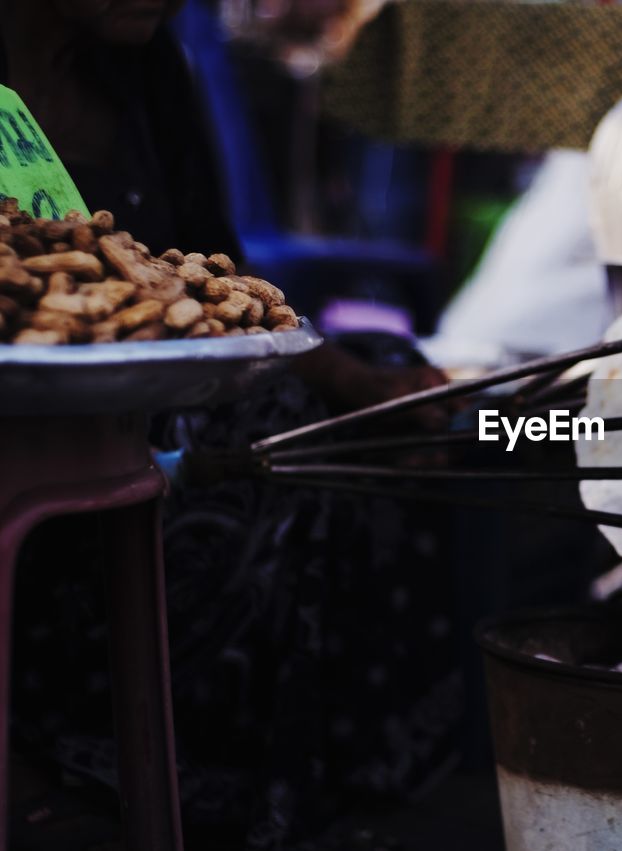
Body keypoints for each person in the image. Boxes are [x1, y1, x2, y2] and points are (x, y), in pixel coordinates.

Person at [1, 2, 461, 847]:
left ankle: (324, 768)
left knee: (371, 398)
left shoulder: (150, 71)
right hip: (23, 452)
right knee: (271, 469)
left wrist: (352, 376)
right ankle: (77, 746)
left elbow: (217, 281)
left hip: (142, 409)